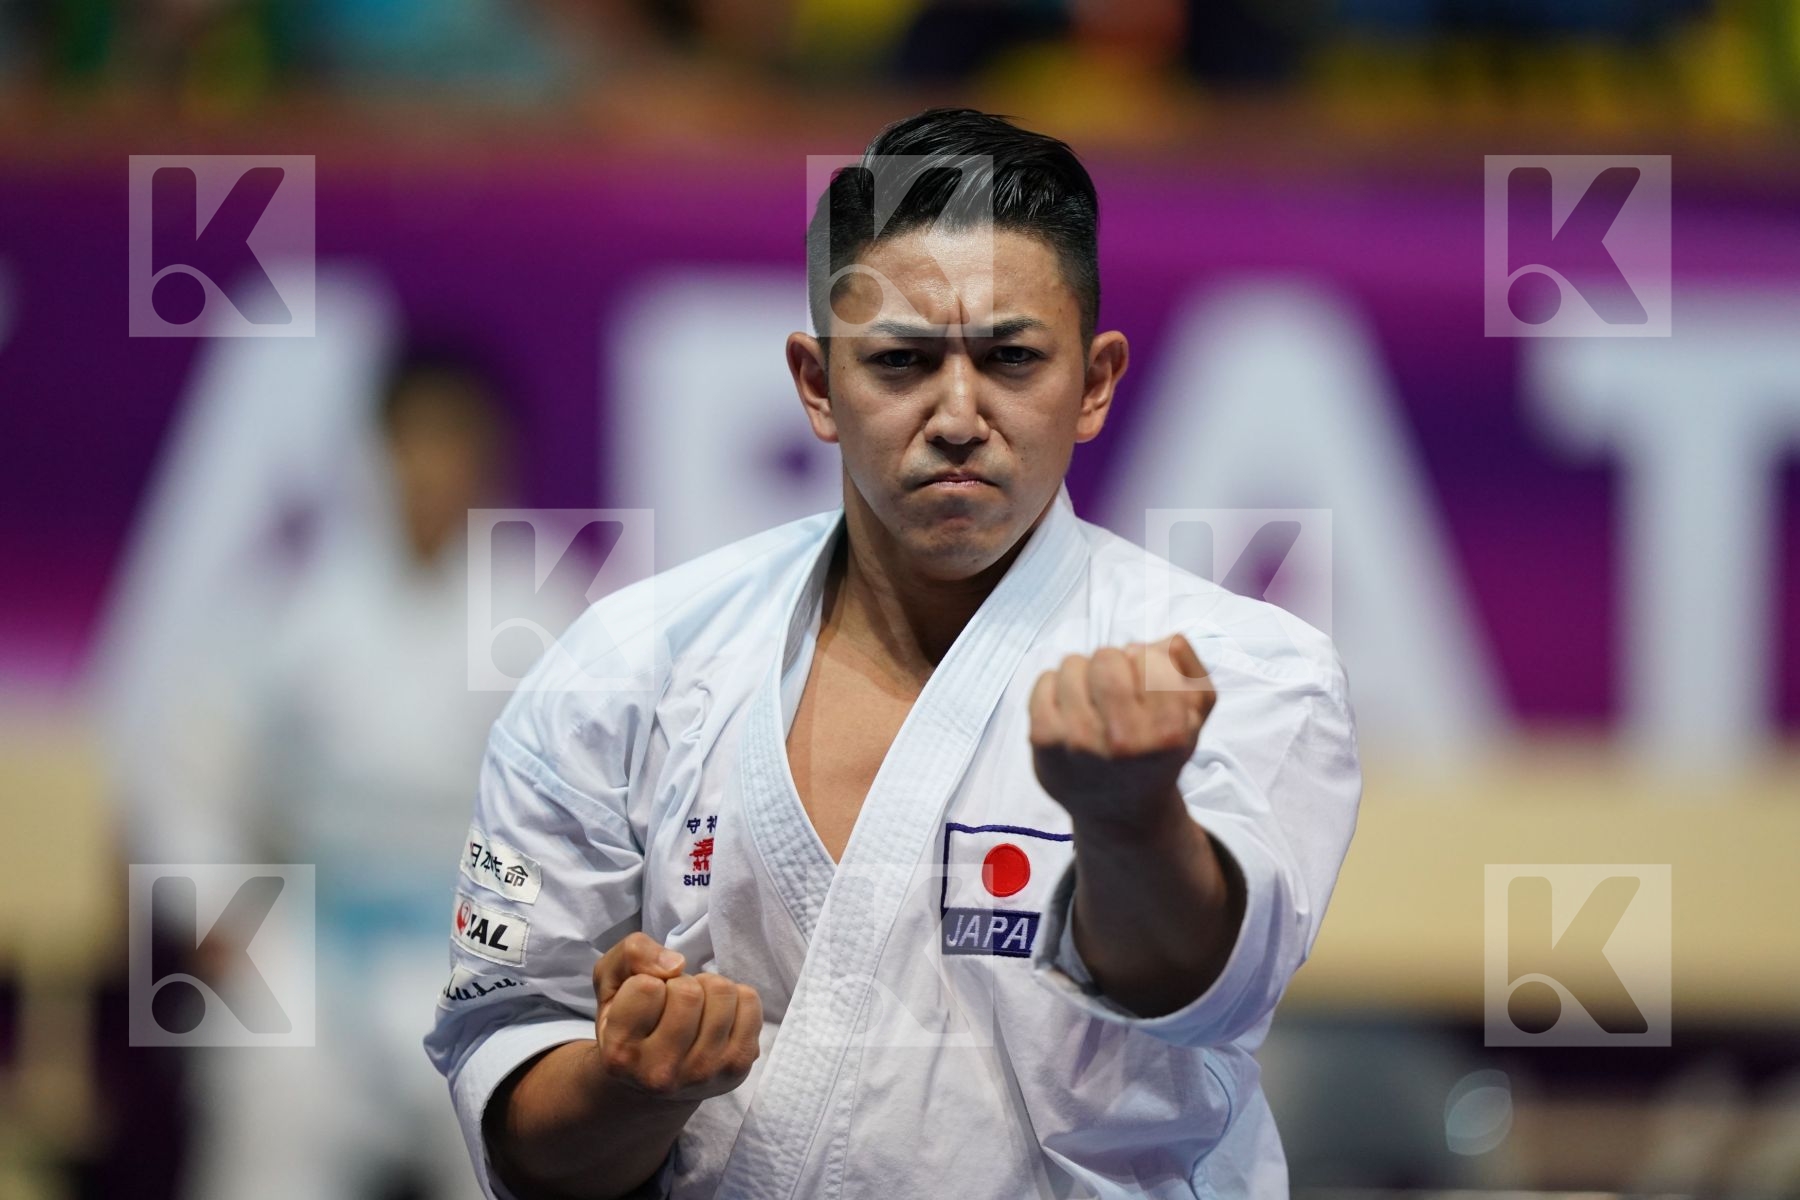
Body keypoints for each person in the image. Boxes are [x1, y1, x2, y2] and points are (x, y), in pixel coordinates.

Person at [425, 108, 1361, 1200]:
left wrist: (1130, 815)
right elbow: (521, 1123)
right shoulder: (622, 672)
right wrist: (633, 1085)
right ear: (817, 384)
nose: (958, 415)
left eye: (1012, 359)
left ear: (1096, 382)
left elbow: (1204, 984)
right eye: (904, 361)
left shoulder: (1239, 665)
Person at [182, 350, 537, 1200]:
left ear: (492, 461)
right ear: (378, 448)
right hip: (308, 926)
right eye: (416, 441)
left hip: (478, 939)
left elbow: (586, 816)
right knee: (267, 1129)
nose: (434, 468)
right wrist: (218, 910)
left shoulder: (545, 611)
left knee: (515, 1151)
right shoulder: (287, 598)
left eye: (458, 444)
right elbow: (191, 776)